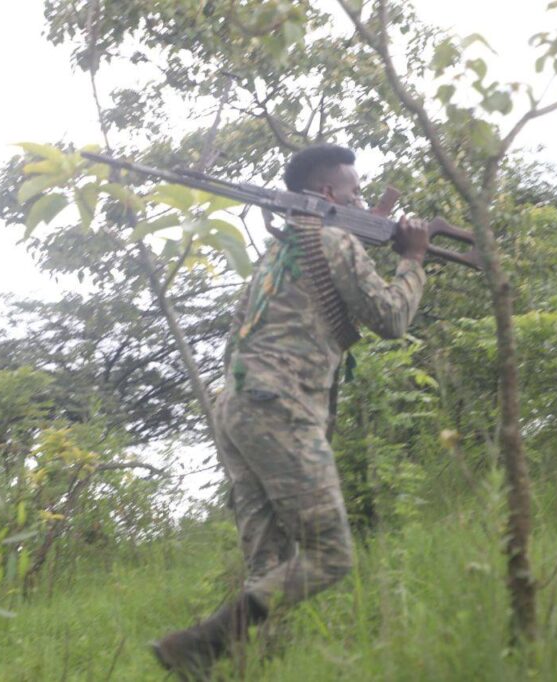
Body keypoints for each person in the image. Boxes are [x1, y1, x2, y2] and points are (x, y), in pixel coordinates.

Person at [152, 144, 429, 678]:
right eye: (355, 192)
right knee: (331, 556)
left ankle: (251, 668)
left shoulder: (277, 255)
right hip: (280, 407)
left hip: (236, 407)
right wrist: (412, 259)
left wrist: (367, 232)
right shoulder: (333, 240)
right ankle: (199, 644)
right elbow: (391, 318)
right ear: (328, 194)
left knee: (269, 564)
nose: (362, 200)